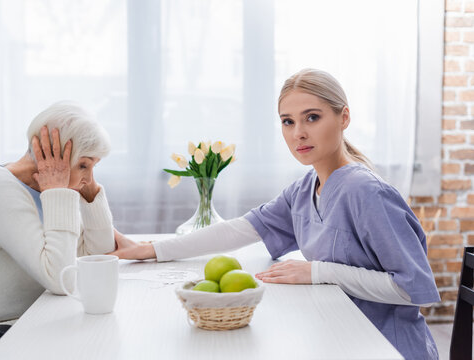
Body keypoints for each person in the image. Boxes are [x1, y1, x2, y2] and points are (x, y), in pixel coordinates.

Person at [112, 69, 441, 359]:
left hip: (387, 347)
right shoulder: (306, 187)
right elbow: (242, 229)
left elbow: (412, 289)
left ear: (344, 118)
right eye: (288, 121)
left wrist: (318, 271)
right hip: (339, 336)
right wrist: (153, 250)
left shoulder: (364, 191)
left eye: (312, 117)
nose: (298, 132)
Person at [0, 102, 119, 326]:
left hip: (29, 319)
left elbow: (98, 255)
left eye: (94, 166)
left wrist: (90, 193)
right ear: (56, 155)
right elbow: (59, 279)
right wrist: (58, 192)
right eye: (84, 165)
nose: (89, 177)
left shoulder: (53, 187)